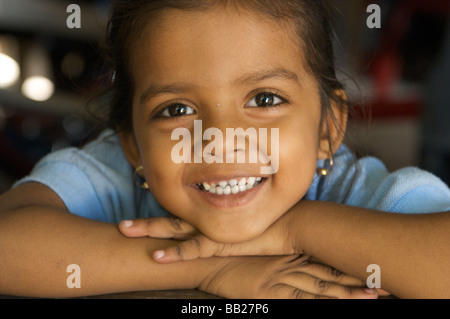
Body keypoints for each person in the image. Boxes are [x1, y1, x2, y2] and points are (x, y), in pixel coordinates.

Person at [0, 0, 448, 299]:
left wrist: (296, 229)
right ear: (133, 144)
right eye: (176, 108)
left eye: (265, 99)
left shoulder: (358, 192)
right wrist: (207, 267)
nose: (224, 138)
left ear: (328, 126)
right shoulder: (114, 173)